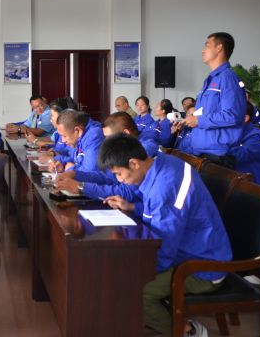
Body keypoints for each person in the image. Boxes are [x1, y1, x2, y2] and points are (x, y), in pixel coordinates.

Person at [99, 134, 232, 337]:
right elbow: (163, 213)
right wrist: (133, 207)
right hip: (188, 250)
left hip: (202, 266)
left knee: (136, 292)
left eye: (119, 174)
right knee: (123, 272)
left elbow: (165, 246)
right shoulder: (160, 163)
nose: (120, 180)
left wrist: (140, 272)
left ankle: (188, 331)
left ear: (133, 163)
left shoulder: (166, 185)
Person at [54, 112, 159, 207]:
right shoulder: (123, 149)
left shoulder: (144, 150)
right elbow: (108, 177)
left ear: (126, 134)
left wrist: (81, 187)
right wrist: (75, 174)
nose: (105, 143)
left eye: (108, 138)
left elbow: (126, 193)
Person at [183, 32, 246, 169]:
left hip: (218, 156)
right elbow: (207, 112)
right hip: (203, 153)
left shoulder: (227, 78)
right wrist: (192, 118)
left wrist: (198, 120)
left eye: (207, 45)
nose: (203, 50)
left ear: (219, 48)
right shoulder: (212, 79)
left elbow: (232, 115)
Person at [228, 102, 260, 187]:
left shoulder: (256, 136)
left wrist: (217, 146)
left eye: (230, 114)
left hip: (257, 184)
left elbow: (242, 155)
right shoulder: (232, 132)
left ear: (245, 118)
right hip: (238, 178)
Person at [55, 109, 104, 173]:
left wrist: (71, 169)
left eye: (64, 136)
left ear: (77, 131)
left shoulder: (94, 136)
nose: (63, 140)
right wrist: (62, 163)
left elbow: (90, 172)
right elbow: (75, 158)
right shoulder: (76, 138)